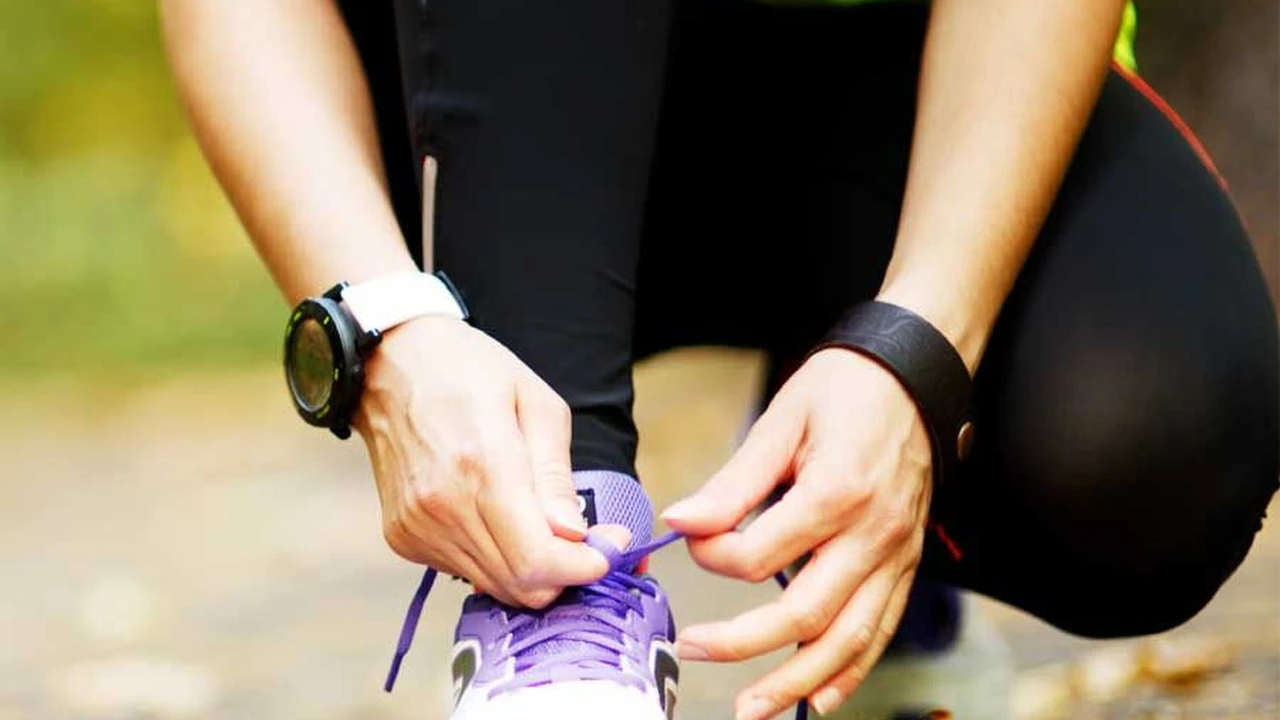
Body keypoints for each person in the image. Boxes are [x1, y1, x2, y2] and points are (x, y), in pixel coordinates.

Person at [161, 0, 1279, 718]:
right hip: (470, 98)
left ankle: (874, 547)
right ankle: (558, 620)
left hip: (901, 87)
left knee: (1150, 439)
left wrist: (917, 353)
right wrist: (382, 320)